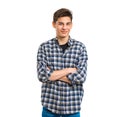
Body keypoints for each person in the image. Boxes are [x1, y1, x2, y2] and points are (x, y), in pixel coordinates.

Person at [37, 8, 88, 117]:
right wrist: (69, 70)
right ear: (54, 24)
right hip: (49, 108)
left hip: (72, 109)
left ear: (71, 25)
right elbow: (42, 75)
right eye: (60, 24)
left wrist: (52, 74)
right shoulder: (44, 47)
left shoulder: (80, 48)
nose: (64, 27)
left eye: (67, 24)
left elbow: (81, 77)